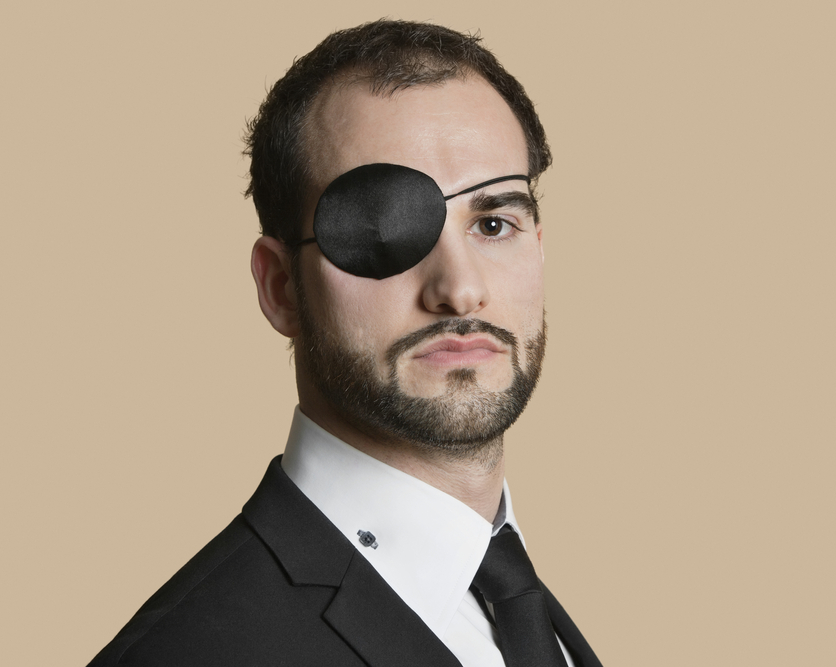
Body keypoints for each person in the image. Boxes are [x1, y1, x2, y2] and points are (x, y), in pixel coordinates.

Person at [89, 19, 601, 667]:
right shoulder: (191, 653)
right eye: (382, 232)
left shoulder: (515, 606)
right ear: (280, 288)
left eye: (494, 222)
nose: (461, 290)